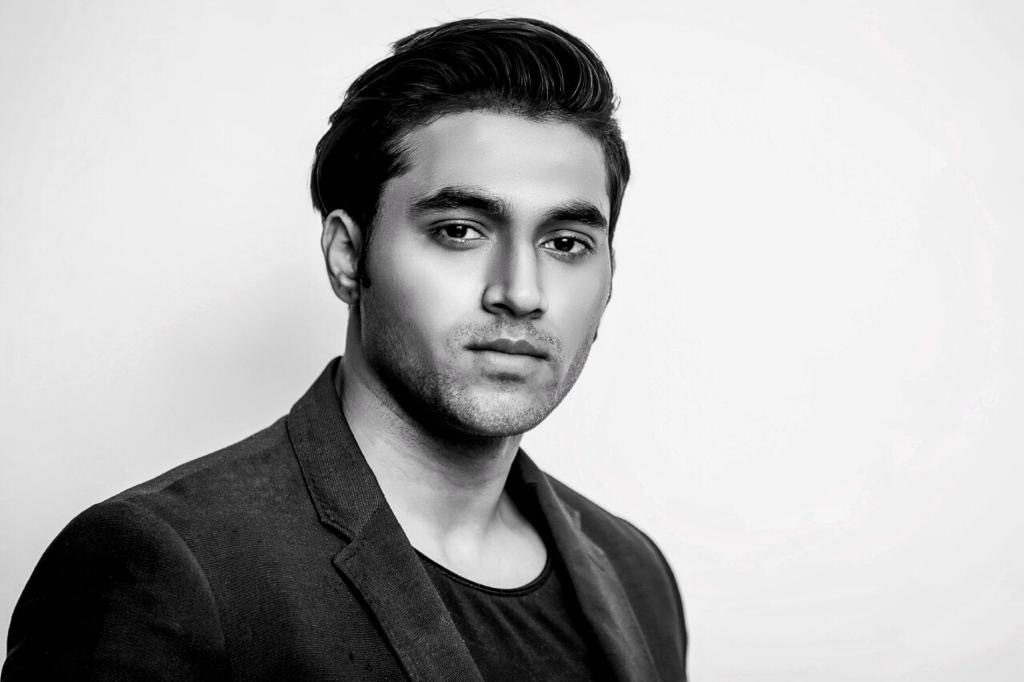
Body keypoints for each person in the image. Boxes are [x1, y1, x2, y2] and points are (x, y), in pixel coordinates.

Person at [3, 17, 686, 681]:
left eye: (566, 243)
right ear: (347, 257)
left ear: (609, 277)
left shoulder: (638, 573)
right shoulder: (161, 568)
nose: (521, 292)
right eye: (459, 230)